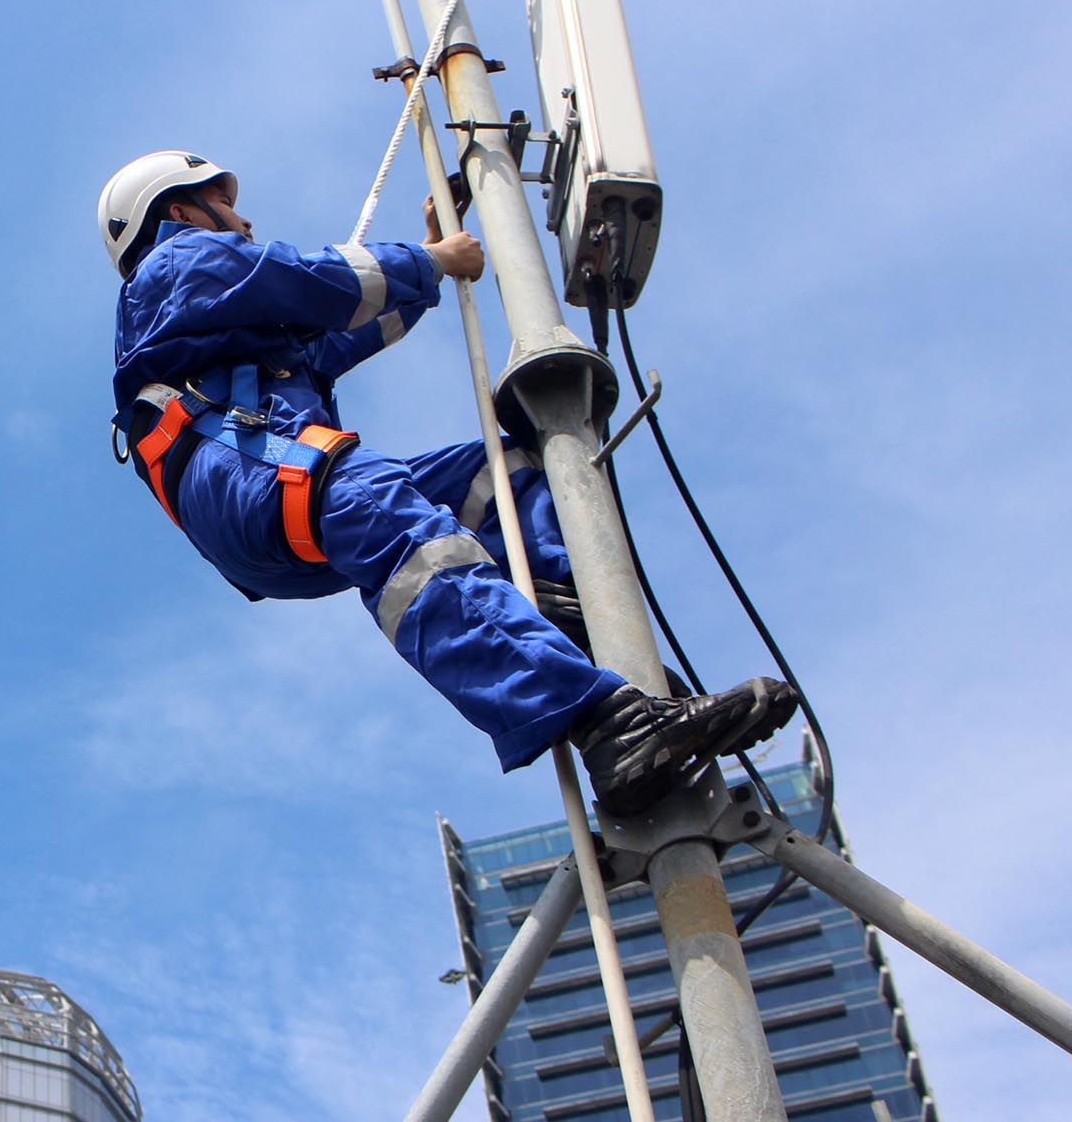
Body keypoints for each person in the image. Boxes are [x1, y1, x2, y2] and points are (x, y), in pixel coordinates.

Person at [100, 150, 795, 812]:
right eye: (223, 201)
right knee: (398, 524)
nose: (244, 218)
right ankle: (609, 727)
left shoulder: (214, 313)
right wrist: (431, 259)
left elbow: (334, 336)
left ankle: (563, 623)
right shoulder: (176, 263)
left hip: (261, 495)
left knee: (504, 471)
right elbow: (315, 282)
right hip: (246, 471)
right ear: (179, 214)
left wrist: (429, 265)